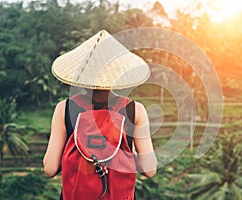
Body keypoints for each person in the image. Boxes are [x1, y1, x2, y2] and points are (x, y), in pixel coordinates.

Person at [43, 30, 157, 199]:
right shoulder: (135, 110)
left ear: (81, 71)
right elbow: (149, 169)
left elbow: (50, 168)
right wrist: (121, 151)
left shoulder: (64, 108)